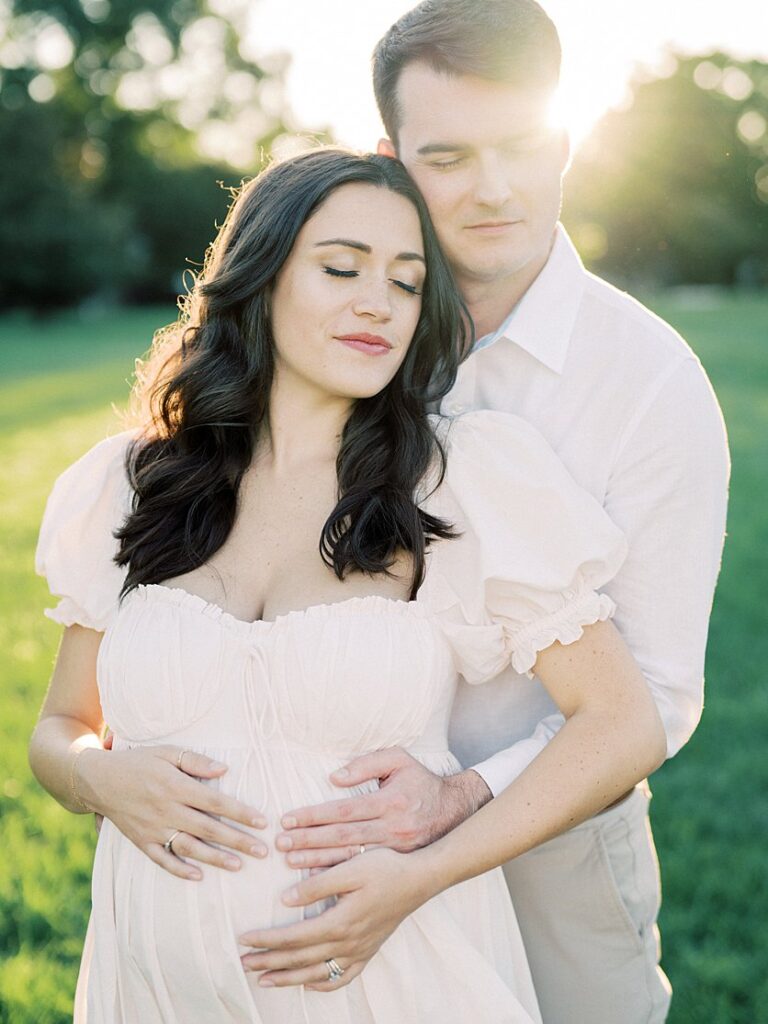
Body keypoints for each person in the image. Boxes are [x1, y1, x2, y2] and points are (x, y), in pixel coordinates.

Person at [30, 147, 667, 1023]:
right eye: (341, 268)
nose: (380, 302)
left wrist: (420, 876)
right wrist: (97, 780)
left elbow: (624, 723)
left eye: (407, 284)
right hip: (156, 987)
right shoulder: (137, 482)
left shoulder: (456, 482)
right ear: (258, 278)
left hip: (388, 984)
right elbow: (62, 729)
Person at [224, 3, 730, 1022]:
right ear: (391, 156)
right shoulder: (345, 328)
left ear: (567, 140)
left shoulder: (651, 384)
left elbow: (661, 699)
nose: (492, 189)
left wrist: (462, 794)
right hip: (327, 818)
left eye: (521, 148)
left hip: (551, 836)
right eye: (447, 157)